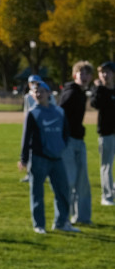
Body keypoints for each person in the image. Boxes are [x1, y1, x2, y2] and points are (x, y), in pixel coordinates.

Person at [18, 81, 78, 234]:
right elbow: (26, 138)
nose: (39, 94)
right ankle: (39, 225)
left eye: (42, 91)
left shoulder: (59, 112)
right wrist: (24, 159)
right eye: (36, 92)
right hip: (39, 159)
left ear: (49, 93)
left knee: (63, 192)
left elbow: (66, 132)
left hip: (57, 159)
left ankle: (61, 222)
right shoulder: (33, 113)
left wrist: (60, 147)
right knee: (37, 193)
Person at [58, 61, 93, 225]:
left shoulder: (81, 93)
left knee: (82, 181)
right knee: (69, 180)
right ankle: (63, 218)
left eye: (87, 73)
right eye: (81, 73)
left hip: (79, 140)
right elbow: (60, 114)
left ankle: (83, 217)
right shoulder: (71, 93)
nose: (84, 76)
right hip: (68, 141)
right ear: (75, 75)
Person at [20, 74, 54, 182]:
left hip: (45, 126)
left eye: (36, 82)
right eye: (32, 83)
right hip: (33, 126)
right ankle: (30, 174)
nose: (34, 85)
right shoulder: (28, 97)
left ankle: (48, 173)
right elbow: (26, 111)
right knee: (31, 151)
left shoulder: (47, 94)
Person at [91, 61, 115, 207]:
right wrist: (99, 88)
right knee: (106, 166)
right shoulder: (99, 90)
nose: (104, 75)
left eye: (107, 72)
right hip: (106, 133)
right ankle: (106, 196)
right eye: (102, 72)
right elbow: (95, 104)